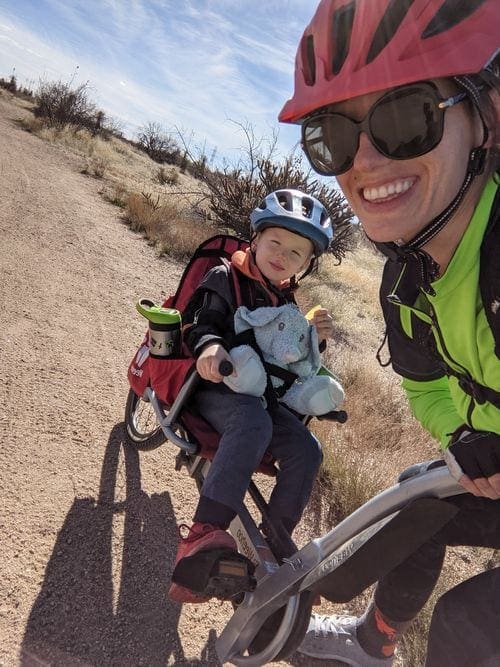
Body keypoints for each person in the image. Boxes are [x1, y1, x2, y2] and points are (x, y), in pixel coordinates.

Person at [277, 0, 500, 665]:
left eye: (406, 118)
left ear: (488, 116)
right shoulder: (406, 284)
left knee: (468, 625)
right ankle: (372, 641)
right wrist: (462, 436)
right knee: (415, 507)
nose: (365, 161)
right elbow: (429, 388)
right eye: (332, 137)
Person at [168, 188, 338, 604]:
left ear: (306, 265)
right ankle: (204, 533)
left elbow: (290, 357)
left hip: (260, 399)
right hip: (211, 389)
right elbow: (203, 321)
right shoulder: (225, 277)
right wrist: (210, 346)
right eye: (275, 242)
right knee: (253, 420)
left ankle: (277, 537)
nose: (281, 255)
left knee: (307, 450)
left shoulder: (287, 300)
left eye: (295, 253)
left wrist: (314, 340)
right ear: (255, 239)